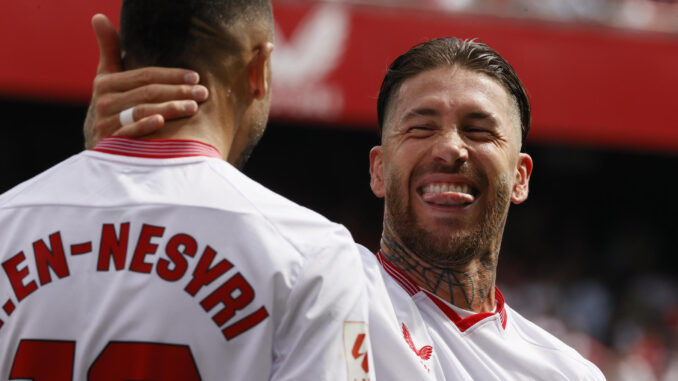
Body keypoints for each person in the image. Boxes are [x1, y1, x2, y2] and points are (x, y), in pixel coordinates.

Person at [83, 30, 606, 380]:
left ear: (520, 177)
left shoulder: (567, 373)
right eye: (422, 126)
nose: (450, 148)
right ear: (378, 169)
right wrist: (121, 164)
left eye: (479, 129)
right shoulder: (306, 280)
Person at [0, 1, 373, 380]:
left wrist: (95, 159)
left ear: (118, 60)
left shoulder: (8, 220)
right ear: (259, 69)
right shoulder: (313, 253)